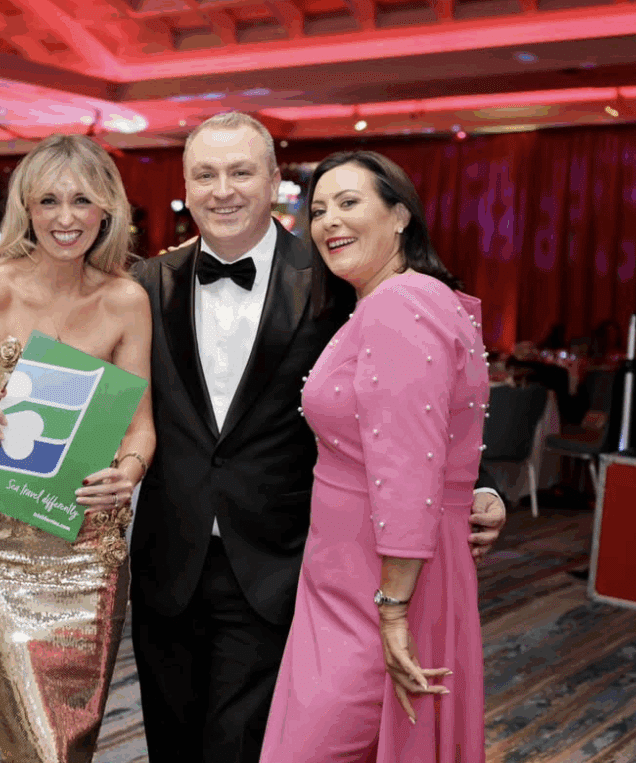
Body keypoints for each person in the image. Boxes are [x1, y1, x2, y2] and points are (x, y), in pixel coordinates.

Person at [129, 112, 506, 763]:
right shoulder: (143, 284)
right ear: (185, 186)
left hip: (283, 565)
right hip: (169, 560)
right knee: (171, 744)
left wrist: (477, 484)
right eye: (205, 175)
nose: (223, 190)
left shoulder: (339, 273)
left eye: (241, 172)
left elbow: (421, 389)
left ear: (273, 179)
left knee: (254, 746)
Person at [0, 134, 154, 762]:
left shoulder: (126, 300)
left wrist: (130, 470)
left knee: (71, 741)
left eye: (81, 200)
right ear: (26, 207)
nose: (65, 218)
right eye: (48, 201)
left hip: (89, 549)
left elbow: (141, 426)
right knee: (38, 740)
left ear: (106, 209)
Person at [259, 150, 489, 762]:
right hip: (345, 578)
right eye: (318, 210)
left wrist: (392, 611)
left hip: (378, 585)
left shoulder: (400, 304)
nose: (329, 221)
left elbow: (410, 469)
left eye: (348, 202)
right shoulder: (389, 302)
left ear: (401, 215)